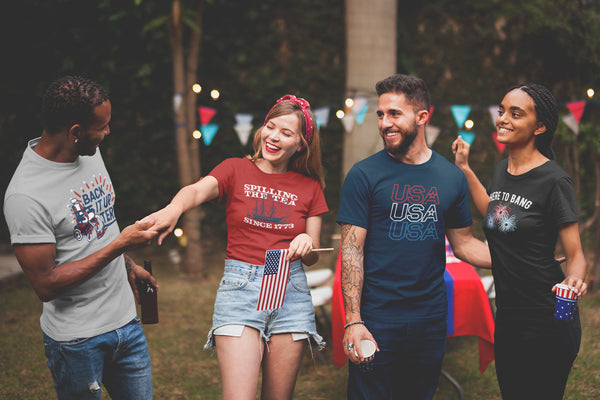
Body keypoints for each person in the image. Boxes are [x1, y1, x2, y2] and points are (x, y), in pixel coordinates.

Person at [142, 94, 328, 400]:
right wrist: (173, 210)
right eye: (271, 126)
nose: (274, 136)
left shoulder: (310, 187)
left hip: (291, 293)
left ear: (300, 145)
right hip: (240, 290)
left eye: (286, 133)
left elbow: (311, 255)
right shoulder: (234, 169)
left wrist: (306, 243)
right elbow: (196, 190)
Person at [336, 73, 491, 400]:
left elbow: (464, 243)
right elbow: (351, 250)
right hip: (377, 316)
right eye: (380, 114)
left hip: (430, 316)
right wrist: (353, 319)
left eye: (394, 113)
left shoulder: (451, 177)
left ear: (423, 117)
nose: (384, 122)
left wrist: (521, 262)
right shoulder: (363, 175)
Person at [3, 75, 159, 399]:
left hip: (126, 325)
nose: (107, 132)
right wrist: (121, 245)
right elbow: (45, 285)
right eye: (101, 127)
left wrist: (128, 265)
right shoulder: (26, 196)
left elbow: (95, 231)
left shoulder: (88, 153)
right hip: (78, 342)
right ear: (75, 132)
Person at [452, 83, 587, 399]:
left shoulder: (555, 181)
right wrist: (465, 169)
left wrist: (575, 279)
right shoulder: (501, 170)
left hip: (547, 316)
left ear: (539, 126)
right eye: (501, 111)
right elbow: (498, 215)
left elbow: (575, 253)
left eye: (516, 113)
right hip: (509, 315)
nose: (502, 119)